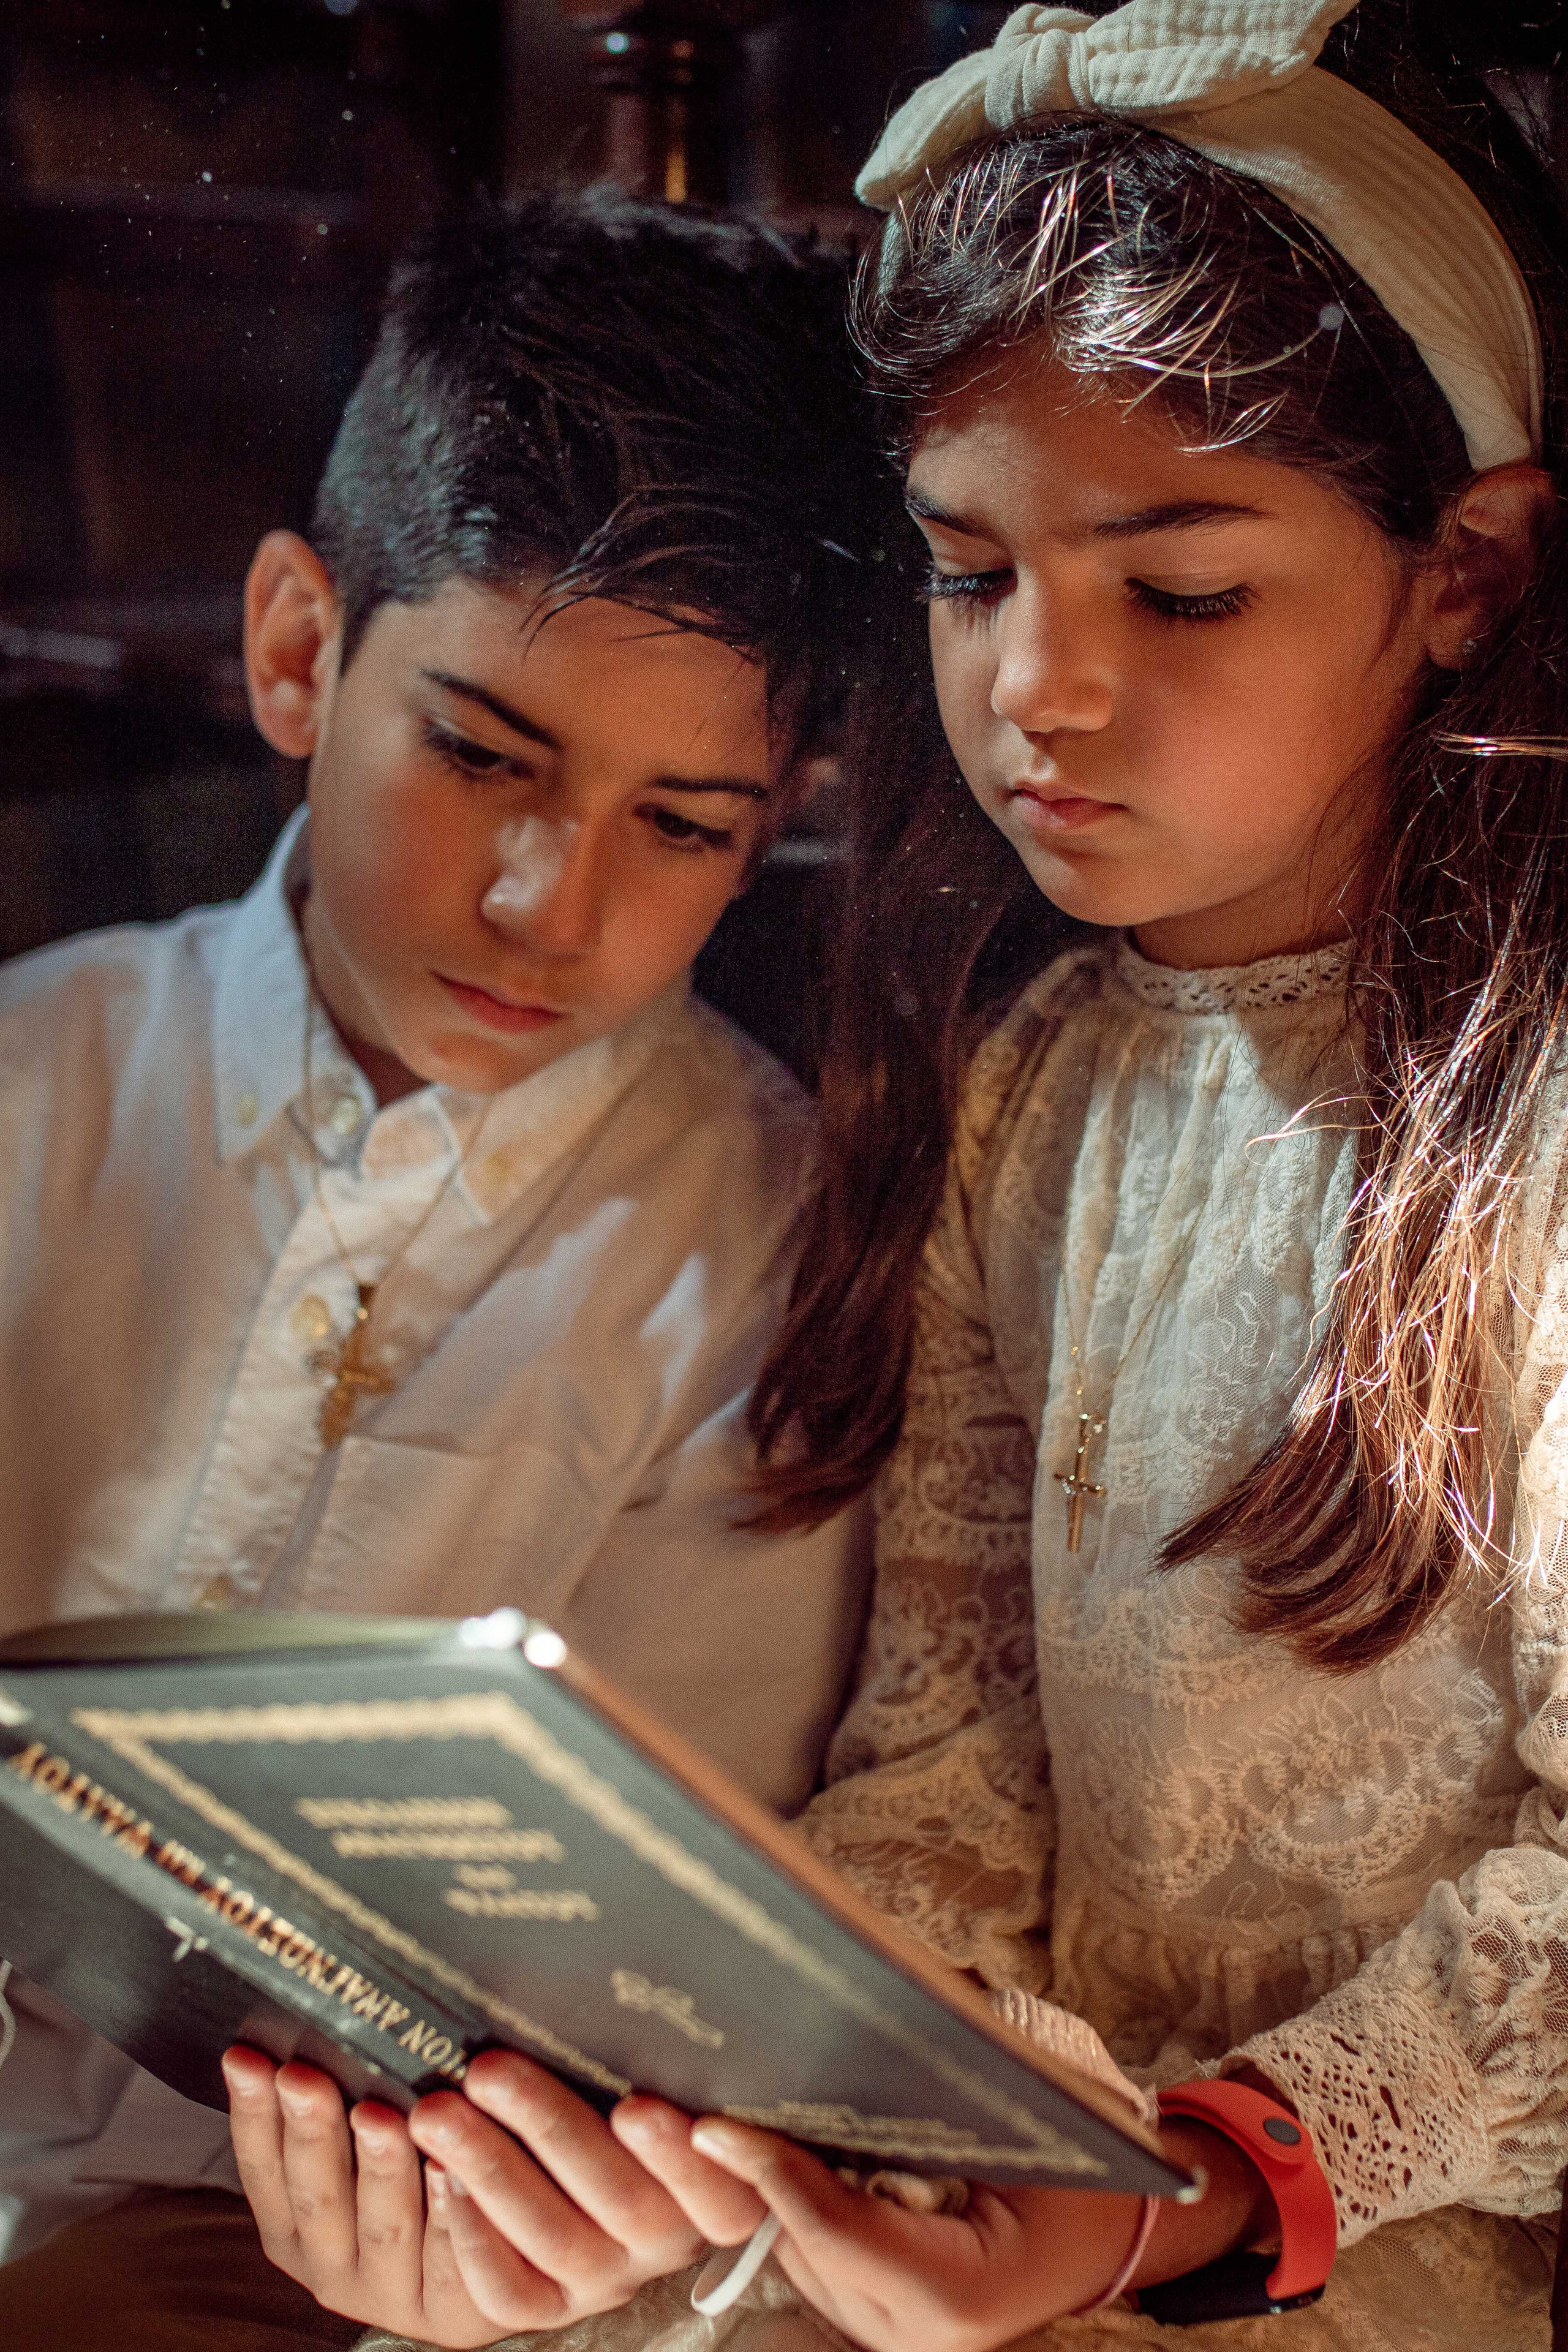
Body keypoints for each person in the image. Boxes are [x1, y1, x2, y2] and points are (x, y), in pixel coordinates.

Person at [226, 3, 1568, 2348]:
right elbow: (941, 1771)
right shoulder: (1035, 1082)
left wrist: (1175, 2190)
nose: (1038, 685)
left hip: (1345, 2251)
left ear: (1463, 572)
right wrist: (740, 2134)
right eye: (969, 576)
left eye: (1180, 589)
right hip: (1010, 2180)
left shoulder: (1530, 1130)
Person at [0, 187, 908, 2348]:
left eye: (682, 825)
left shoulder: (769, 1264)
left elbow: (611, 1992)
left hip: (300, 2240)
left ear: (784, 804)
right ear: (304, 652)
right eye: (483, 755)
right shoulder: (34, 1079)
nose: (544, 900)